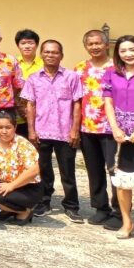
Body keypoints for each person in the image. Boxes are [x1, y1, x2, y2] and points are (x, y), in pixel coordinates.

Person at [22, 39, 84, 221]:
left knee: (68, 170)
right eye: (47, 52)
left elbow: (77, 104)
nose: (50, 55)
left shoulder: (72, 77)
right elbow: (30, 105)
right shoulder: (33, 78)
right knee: (43, 170)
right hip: (41, 131)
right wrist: (31, 130)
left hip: (65, 132)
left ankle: (71, 206)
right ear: (42, 54)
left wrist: (75, 130)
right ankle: (44, 202)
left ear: (61, 55)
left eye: (55, 52)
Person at [103, 35, 134, 242]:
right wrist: (115, 128)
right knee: (121, 179)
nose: (128, 54)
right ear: (117, 53)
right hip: (118, 135)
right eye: (123, 50)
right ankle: (126, 221)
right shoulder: (110, 74)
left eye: (132, 49)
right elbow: (108, 102)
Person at [73, 29, 121, 228]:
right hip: (87, 128)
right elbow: (75, 99)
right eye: (90, 44)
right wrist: (74, 127)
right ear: (86, 46)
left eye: (98, 43)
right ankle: (101, 208)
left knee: (115, 170)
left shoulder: (118, 66)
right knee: (94, 170)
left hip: (113, 128)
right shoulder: (80, 68)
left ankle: (119, 211)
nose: (94, 47)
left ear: (106, 44)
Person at [0, 112, 43, 224]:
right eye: (0, 127)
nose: (4, 131)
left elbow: (34, 170)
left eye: (8, 127)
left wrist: (11, 185)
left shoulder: (23, 144)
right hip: (3, 184)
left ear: (15, 127)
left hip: (27, 187)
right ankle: (8, 210)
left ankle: (25, 211)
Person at [14, 29, 44, 136]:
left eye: (30, 43)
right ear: (18, 45)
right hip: (17, 113)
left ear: (37, 45)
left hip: (40, 113)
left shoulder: (45, 64)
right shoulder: (12, 63)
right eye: (23, 43)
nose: (27, 46)